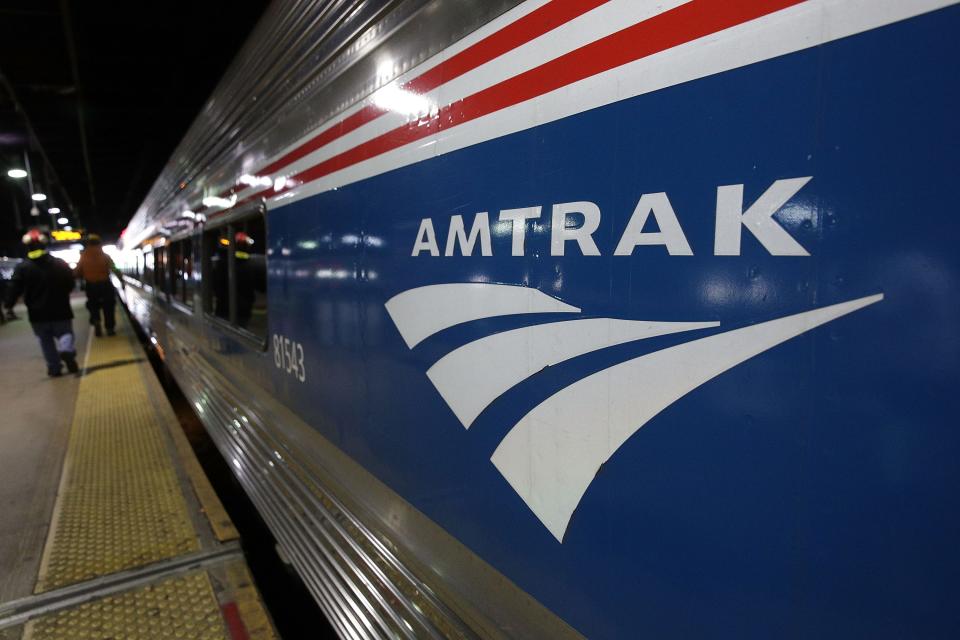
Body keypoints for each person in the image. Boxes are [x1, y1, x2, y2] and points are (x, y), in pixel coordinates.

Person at [3, 229, 79, 377]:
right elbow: (70, 283)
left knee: (45, 341)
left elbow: (14, 287)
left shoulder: (22, 267)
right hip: (61, 309)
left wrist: (9, 305)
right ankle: (67, 350)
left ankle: (54, 368)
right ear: (45, 245)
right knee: (65, 334)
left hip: (37, 313)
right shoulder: (59, 263)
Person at [74, 234, 118, 336]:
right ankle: (110, 328)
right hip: (105, 284)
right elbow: (114, 268)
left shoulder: (83, 256)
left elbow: (77, 272)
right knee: (109, 306)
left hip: (91, 286)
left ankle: (96, 321)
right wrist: (121, 280)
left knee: (93, 306)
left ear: (88, 243)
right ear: (99, 243)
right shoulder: (105, 256)